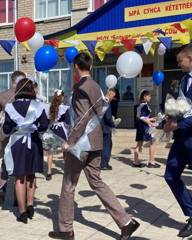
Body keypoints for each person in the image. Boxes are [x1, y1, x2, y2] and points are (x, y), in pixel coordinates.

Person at [49, 53, 139, 240]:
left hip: (81, 144)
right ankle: (126, 221)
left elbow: (81, 119)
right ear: (90, 67)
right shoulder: (96, 85)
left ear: (75, 67)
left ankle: (66, 229)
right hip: (96, 141)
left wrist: (69, 142)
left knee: (68, 185)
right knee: (97, 182)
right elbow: (97, 113)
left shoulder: (81, 88)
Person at [3, 78, 49, 224]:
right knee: (31, 174)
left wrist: (17, 127)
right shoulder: (38, 105)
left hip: (18, 143)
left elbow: (6, 129)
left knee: (19, 177)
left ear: (18, 90)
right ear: (31, 90)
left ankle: (22, 212)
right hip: (34, 142)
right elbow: (44, 126)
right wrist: (33, 127)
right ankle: (30, 205)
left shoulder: (11, 106)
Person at [163, 44, 192, 238]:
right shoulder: (182, 81)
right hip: (182, 139)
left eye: (180, 60)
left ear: (190, 58)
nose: (178, 64)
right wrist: (169, 119)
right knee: (170, 175)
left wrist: (179, 125)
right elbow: (182, 107)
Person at [0, 70, 26, 202]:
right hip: (22, 134)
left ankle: (3, 188)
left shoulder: (2, 95)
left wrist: (3, 125)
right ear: (15, 81)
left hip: (6, 133)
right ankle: (18, 194)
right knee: (20, 163)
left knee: (6, 161)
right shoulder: (26, 95)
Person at [43, 89, 70, 180]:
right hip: (61, 130)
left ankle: (49, 172)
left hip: (52, 130)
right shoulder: (64, 108)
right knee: (65, 151)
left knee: (50, 152)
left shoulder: (50, 107)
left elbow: (46, 121)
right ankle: (66, 171)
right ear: (62, 97)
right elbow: (68, 121)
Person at [133, 90, 160, 168]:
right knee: (153, 142)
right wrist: (151, 123)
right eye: (149, 96)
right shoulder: (144, 105)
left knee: (139, 144)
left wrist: (152, 119)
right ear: (144, 96)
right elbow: (143, 117)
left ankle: (136, 162)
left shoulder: (140, 105)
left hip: (140, 127)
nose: (150, 97)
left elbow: (143, 117)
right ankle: (151, 162)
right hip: (144, 128)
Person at [101, 88, 117, 170]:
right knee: (107, 146)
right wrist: (113, 124)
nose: (112, 98)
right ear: (110, 94)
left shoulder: (101, 101)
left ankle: (104, 163)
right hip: (106, 128)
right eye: (112, 96)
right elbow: (107, 117)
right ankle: (104, 164)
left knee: (105, 145)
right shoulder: (106, 102)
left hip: (102, 127)